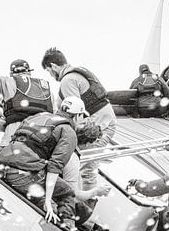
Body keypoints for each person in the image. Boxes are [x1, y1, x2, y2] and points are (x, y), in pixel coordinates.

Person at [0, 96, 88, 229]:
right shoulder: (68, 132)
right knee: (66, 193)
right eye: (82, 116)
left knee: (47, 191)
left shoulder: (38, 116)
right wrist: (48, 201)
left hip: (0, 166)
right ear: (78, 116)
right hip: (22, 175)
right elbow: (54, 167)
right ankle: (67, 229)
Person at [41, 47, 116, 190]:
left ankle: (84, 205)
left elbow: (74, 111)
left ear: (53, 66)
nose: (51, 75)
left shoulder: (67, 80)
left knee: (85, 169)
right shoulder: (79, 72)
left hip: (97, 127)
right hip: (105, 122)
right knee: (83, 166)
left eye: (49, 71)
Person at [0, 59, 54, 146]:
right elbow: (55, 113)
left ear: (11, 73)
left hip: (15, 133)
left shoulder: (9, 81)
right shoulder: (45, 88)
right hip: (41, 137)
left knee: (7, 157)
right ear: (29, 72)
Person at [61, 121, 111, 226]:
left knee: (92, 220)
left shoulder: (64, 145)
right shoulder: (73, 159)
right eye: (94, 144)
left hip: (60, 195)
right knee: (96, 222)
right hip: (63, 204)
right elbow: (76, 196)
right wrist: (97, 191)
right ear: (88, 143)